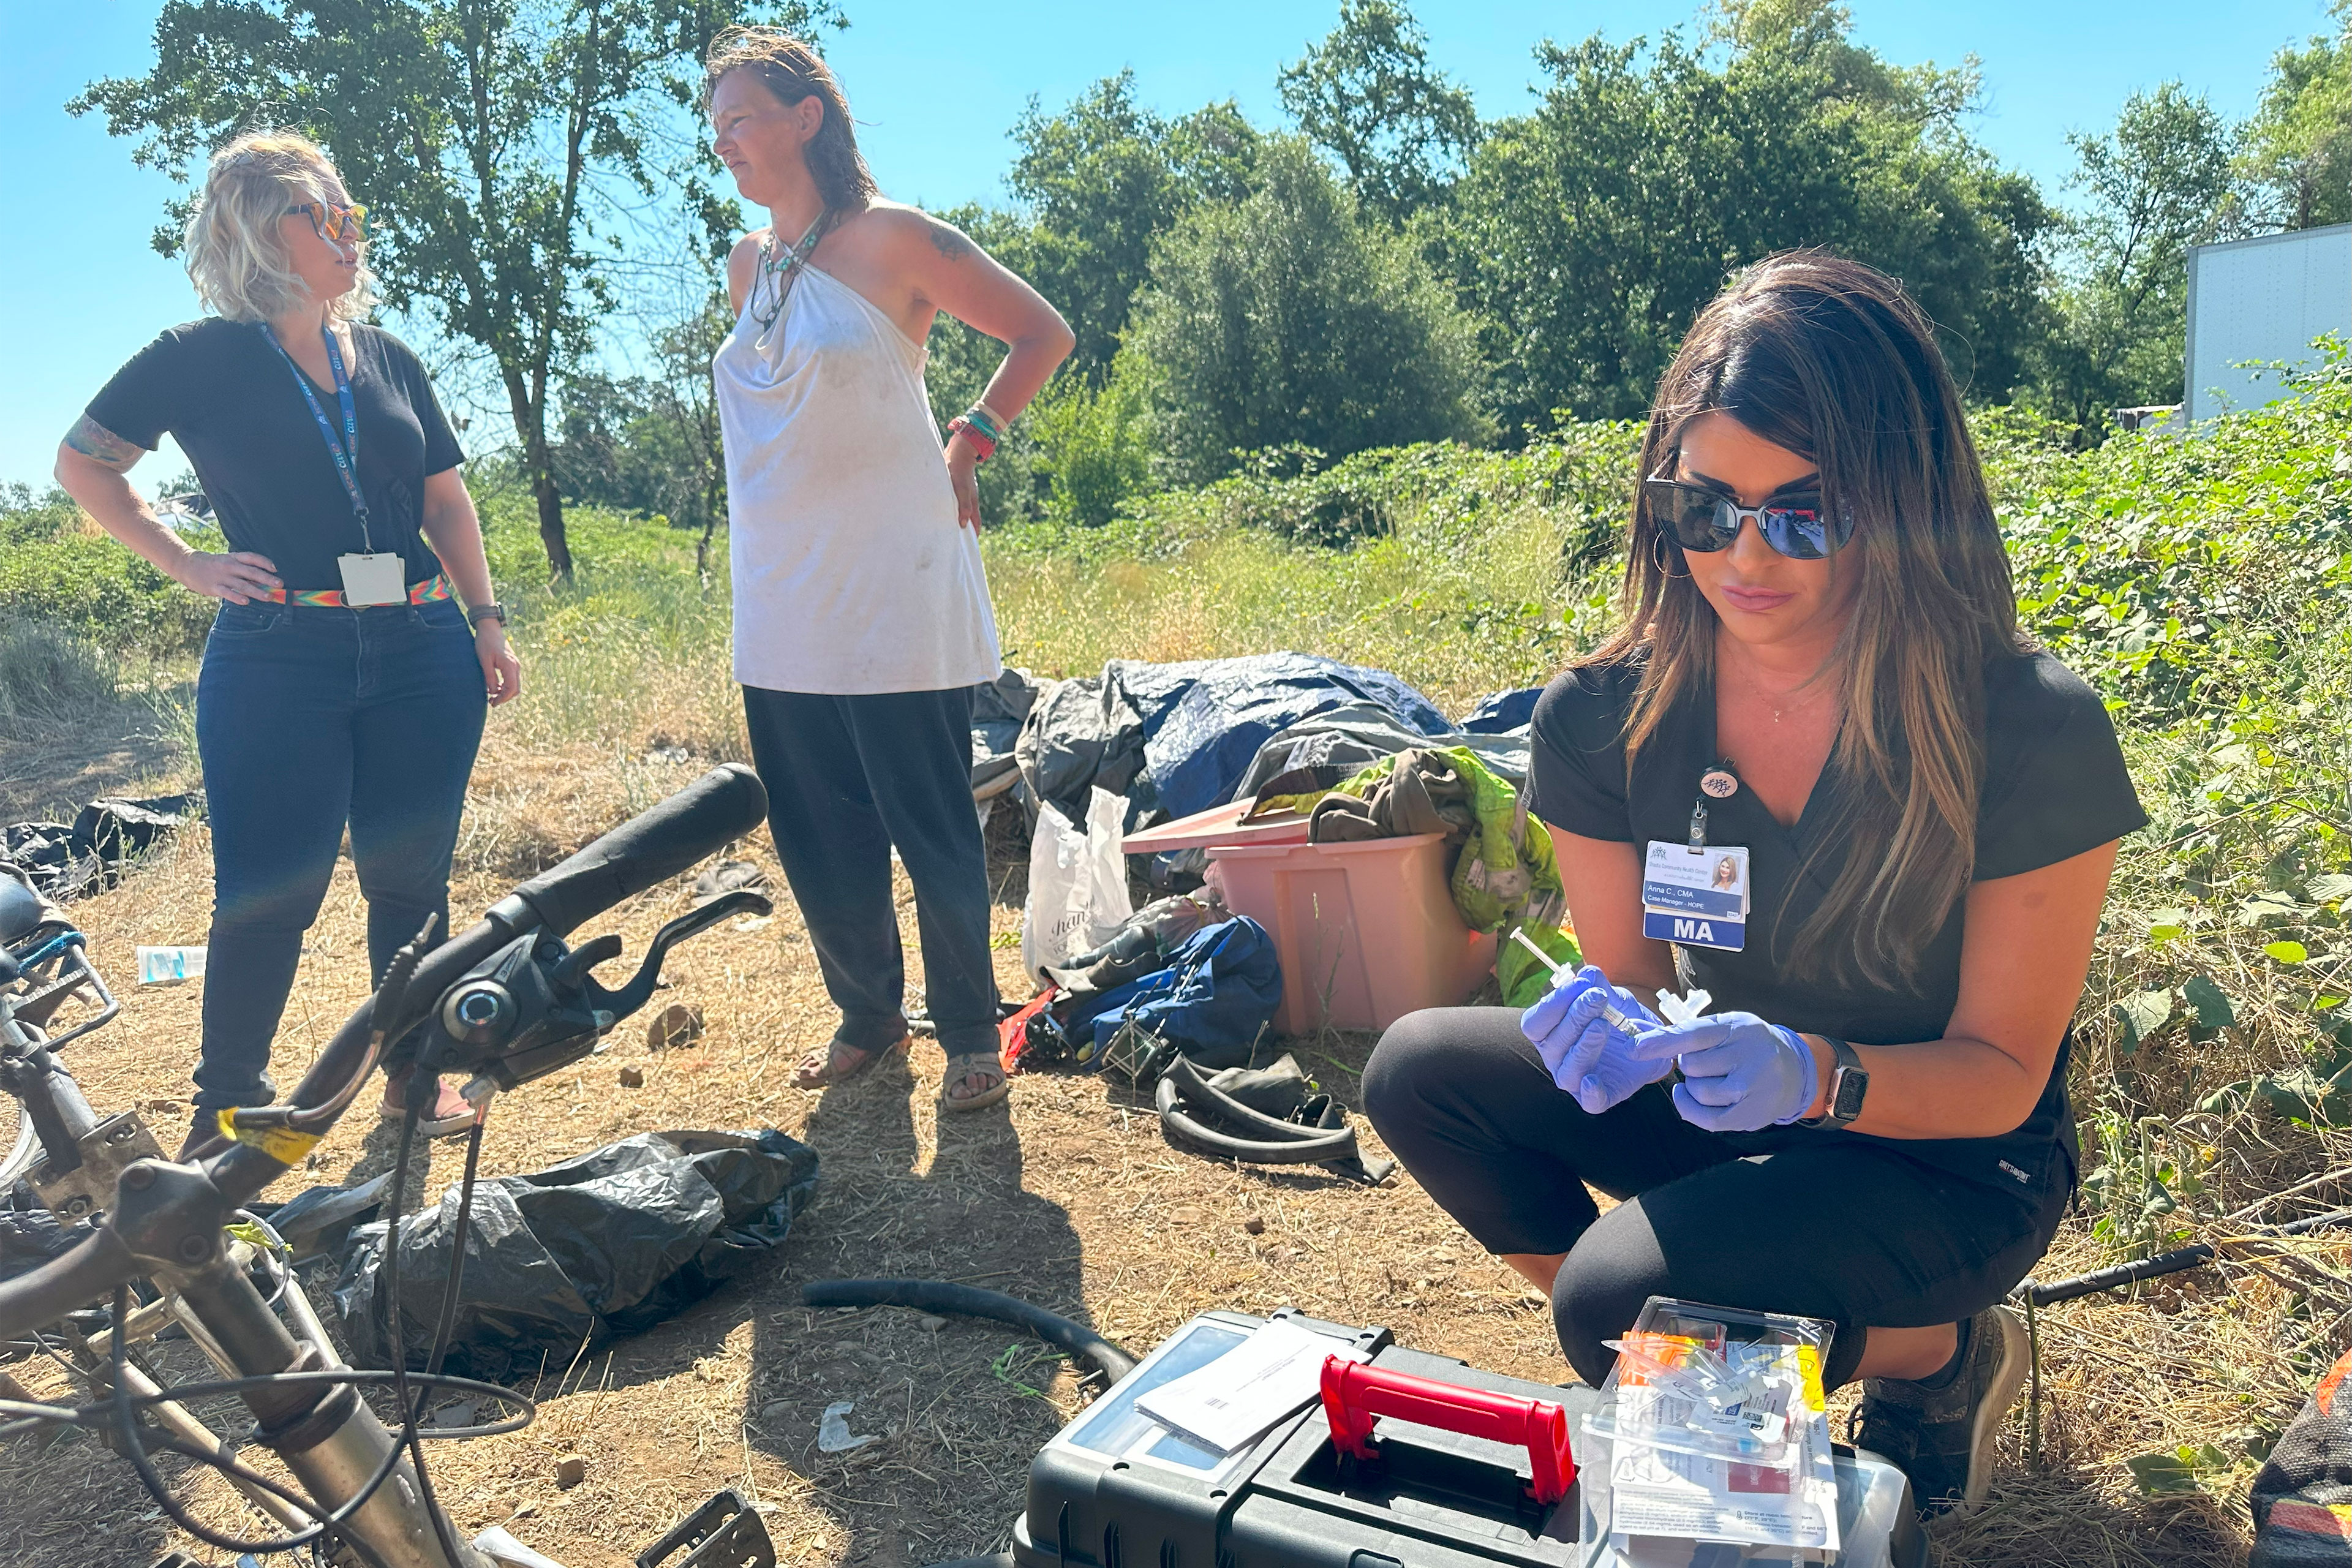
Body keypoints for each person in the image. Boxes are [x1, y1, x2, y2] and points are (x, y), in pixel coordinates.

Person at [1362, 252, 2144, 1516]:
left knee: (1611, 1299)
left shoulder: (2026, 724)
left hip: (1947, 1156)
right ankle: (1734, 1337)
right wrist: (1609, 1028)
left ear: (1901, 501)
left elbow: (2002, 1068)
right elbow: (1632, 979)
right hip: (1741, 1103)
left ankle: (1935, 1347)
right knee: (1418, 1070)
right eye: (1708, 505)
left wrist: (1822, 1071)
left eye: (1806, 509)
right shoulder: (1604, 712)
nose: (1745, 555)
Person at [54, 131, 520, 1160]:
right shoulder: (194, 359)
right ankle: (225, 1118)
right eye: (327, 212)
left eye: (348, 209)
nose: (351, 229)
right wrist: (187, 564)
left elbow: (446, 499)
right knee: (272, 893)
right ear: (264, 231)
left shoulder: (387, 355)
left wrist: (486, 622)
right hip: (278, 655)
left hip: (420, 647)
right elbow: (84, 467)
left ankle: (412, 1078)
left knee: (408, 882)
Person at [702, 28, 1074, 1112]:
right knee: (818, 830)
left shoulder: (895, 236)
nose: (723, 140)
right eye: (715, 125)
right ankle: (868, 1014)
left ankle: (968, 1027)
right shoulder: (746, 264)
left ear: (804, 117)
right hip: (782, 595)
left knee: (929, 818)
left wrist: (975, 434)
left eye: (740, 117)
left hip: (895, 581)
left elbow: (1040, 333)